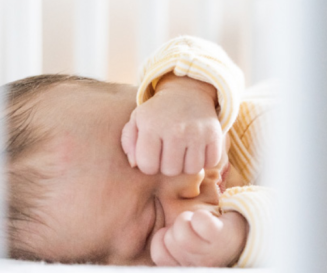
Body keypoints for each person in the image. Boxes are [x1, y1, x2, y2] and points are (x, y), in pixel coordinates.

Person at [4, 36, 274, 267]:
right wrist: (242, 233)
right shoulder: (223, 236)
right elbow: (308, 224)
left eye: (155, 135)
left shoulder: (248, 122)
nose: (192, 176)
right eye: (154, 216)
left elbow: (195, 54)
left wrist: (186, 92)